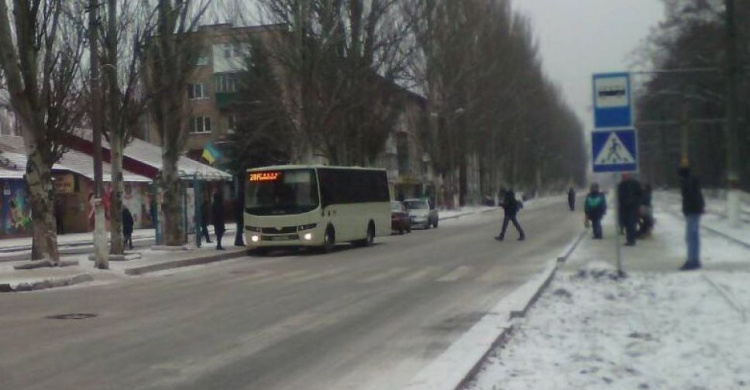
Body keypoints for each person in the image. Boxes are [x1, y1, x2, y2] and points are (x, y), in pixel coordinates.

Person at [678, 166, 705, 270]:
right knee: (694, 237)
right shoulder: (692, 181)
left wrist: (687, 210)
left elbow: (690, 198)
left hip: (692, 211)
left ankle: (691, 260)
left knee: (691, 237)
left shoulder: (687, 184)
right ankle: (695, 259)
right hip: (695, 211)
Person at [617, 173, 642, 246]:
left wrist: (638, 203)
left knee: (632, 223)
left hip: (633, 207)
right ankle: (629, 239)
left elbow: (640, 194)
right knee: (626, 224)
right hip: (623, 208)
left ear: (628, 176)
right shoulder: (621, 185)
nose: (624, 177)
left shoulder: (635, 184)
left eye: (625, 176)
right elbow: (619, 196)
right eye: (623, 176)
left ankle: (632, 240)